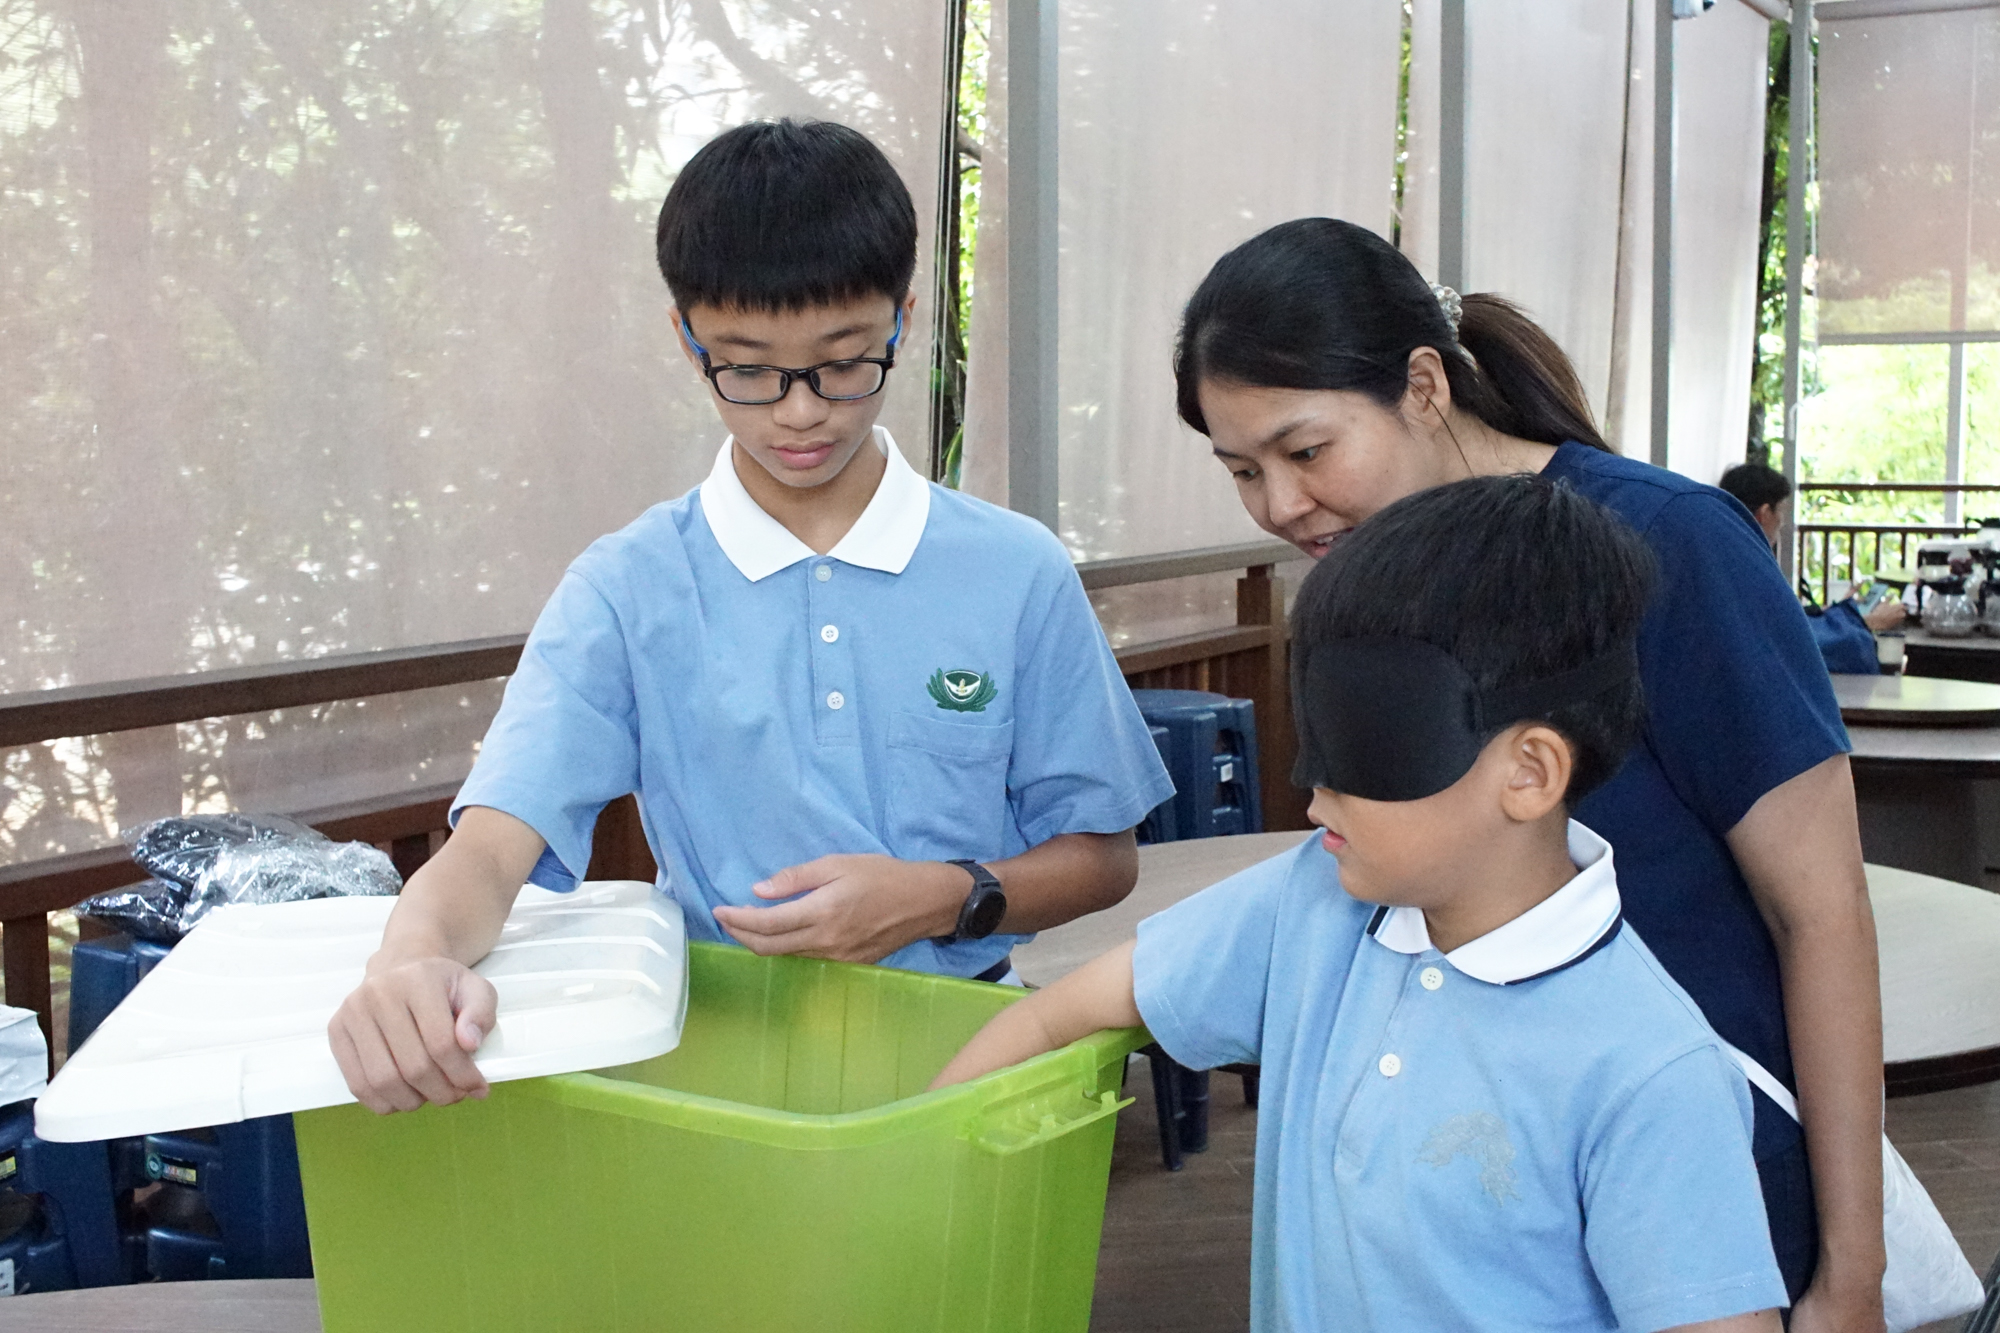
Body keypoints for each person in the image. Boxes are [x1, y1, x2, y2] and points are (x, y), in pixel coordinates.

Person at [328, 119, 1173, 1115]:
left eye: (843, 361)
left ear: (902, 322)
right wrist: (410, 960)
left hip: (972, 1053)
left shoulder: (1014, 570)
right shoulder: (628, 588)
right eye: (748, 367)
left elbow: (1101, 856)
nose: (799, 410)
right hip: (722, 1069)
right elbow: (487, 850)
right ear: (687, 340)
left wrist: (943, 896)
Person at [1170, 219, 1884, 1331]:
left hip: (1691, 1195)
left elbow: (1821, 908)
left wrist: (1852, 1269)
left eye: (1304, 452)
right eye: (1241, 472)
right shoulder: (1372, 589)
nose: (1278, 506)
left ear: (1422, 385)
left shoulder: (1671, 544)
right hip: (1474, 1210)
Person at [936, 475, 1788, 1332]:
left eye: (1369, 742)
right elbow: (1057, 1015)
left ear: (1529, 773)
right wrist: (906, 1172)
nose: (1314, 793)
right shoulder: (1312, 903)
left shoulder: (1650, 1072)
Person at [1718, 462, 1904, 676]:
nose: (1782, 522)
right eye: (1781, 511)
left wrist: (1838, 613)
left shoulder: (1723, 556)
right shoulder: (1748, 566)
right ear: (1765, 513)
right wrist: (1865, 623)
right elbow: (1793, 642)